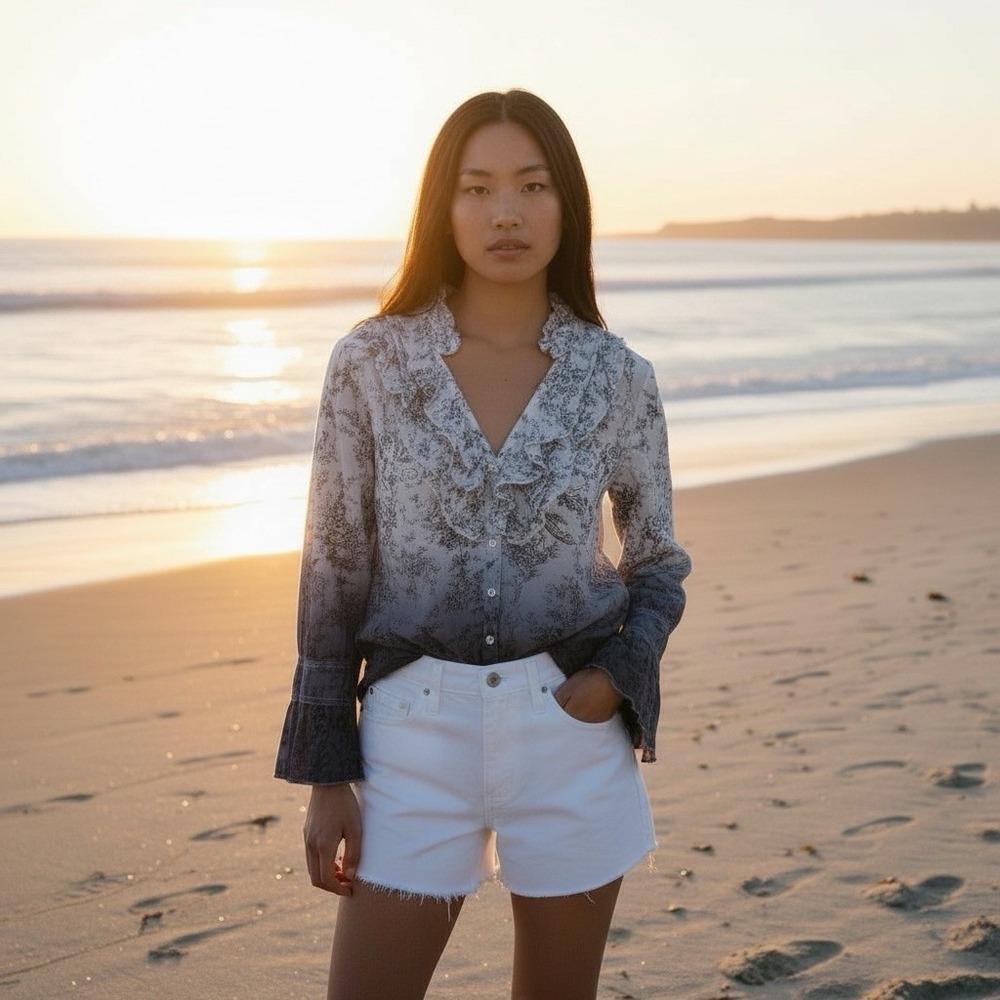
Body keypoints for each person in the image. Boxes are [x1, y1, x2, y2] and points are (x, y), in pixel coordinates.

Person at [274, 89, 691, 1000]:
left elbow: (658, 561)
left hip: (571, 737)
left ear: (566, 203)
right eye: (477, 188)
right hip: (410, 742)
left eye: (532, 185)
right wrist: (325, 771)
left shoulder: (616, 377)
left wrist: (620, 674)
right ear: (442, 207)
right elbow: (332, 576)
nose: (506, 212)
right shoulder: (372, 363)